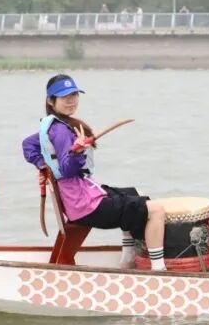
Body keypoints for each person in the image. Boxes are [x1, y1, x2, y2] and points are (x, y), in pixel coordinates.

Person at [21, 74, 167, 269]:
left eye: (74, 95)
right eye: (64, 97)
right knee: (156, 210)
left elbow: (28, 144)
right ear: (50, 100)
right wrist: (75, 153)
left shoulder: (53, 126)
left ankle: (128, 258)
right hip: (85, 207)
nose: (71, 101)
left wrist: (43, 165)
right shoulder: (61, 131)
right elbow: (67, 169)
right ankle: (159, 270)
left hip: (80, 197)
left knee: (137, 194)